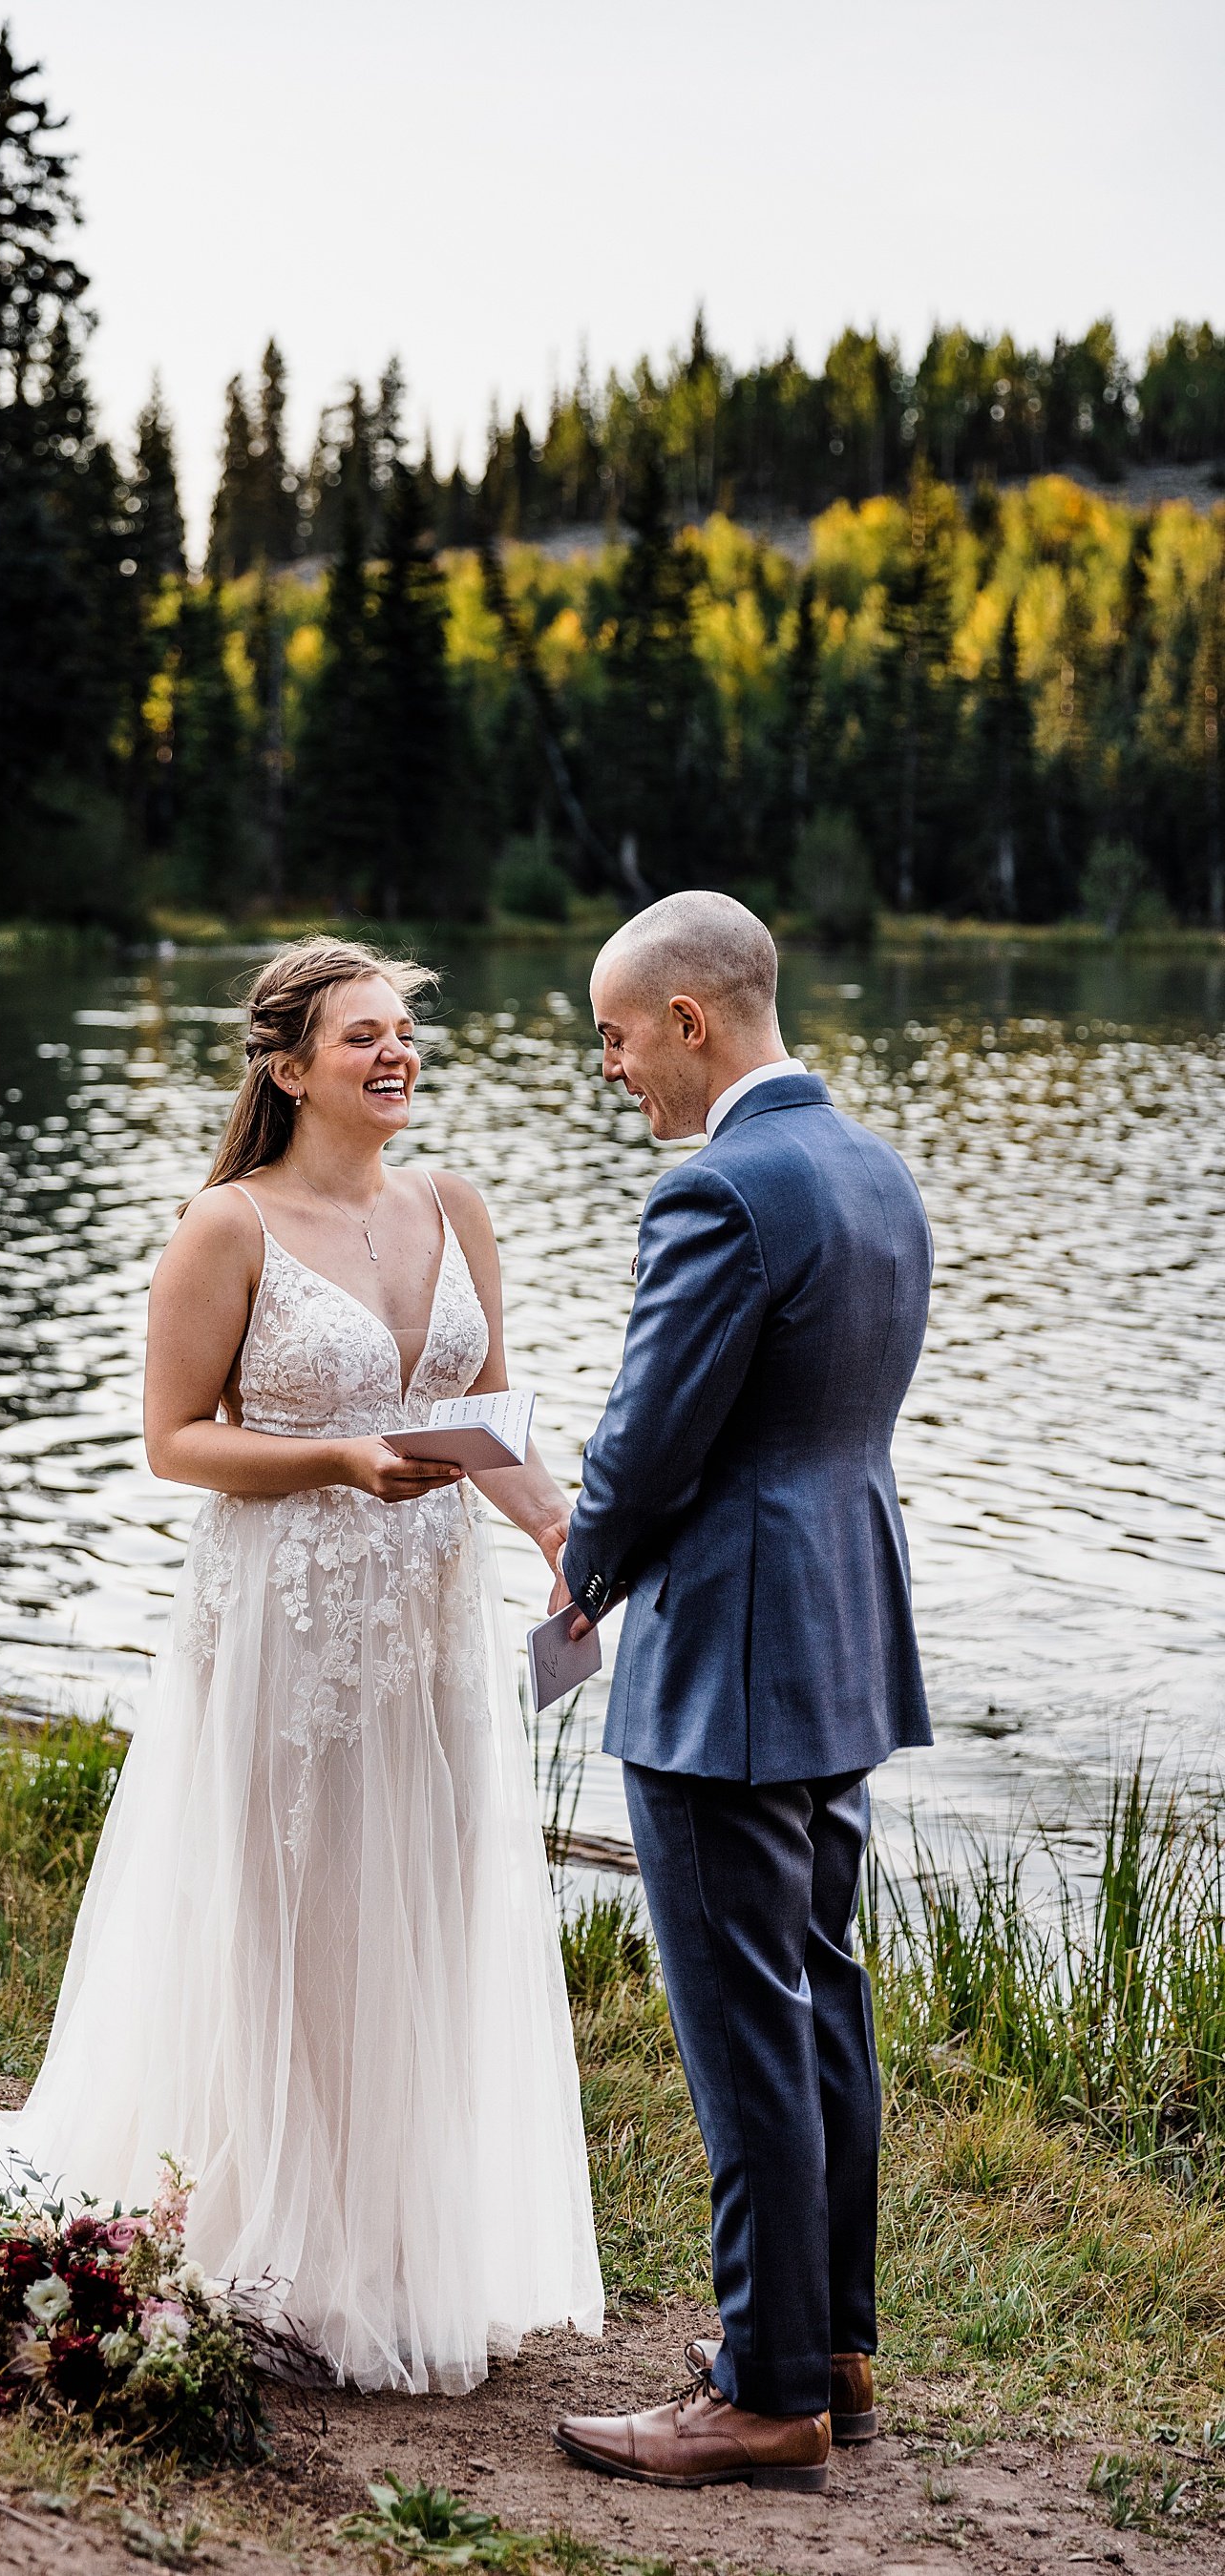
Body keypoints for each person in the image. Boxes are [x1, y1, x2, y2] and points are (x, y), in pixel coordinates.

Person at [0, 935, 604, 2397]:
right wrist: (337, 1456)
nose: (396, 1056)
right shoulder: (230, 1226)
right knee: (285, 1913)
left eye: (405, 1033)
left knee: (427, 1909)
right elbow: (175, 1439)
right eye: (361, 1040)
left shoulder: (456, 1205)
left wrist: (562, 1534)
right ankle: (267, 2233)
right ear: (285, 1067)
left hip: (428, 1630)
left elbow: (483, 1412)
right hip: (286, 1619)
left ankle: (391, 2244)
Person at [550, 891, 932, 2494]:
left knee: (742, 2028)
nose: (620, 1072)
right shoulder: (874, 1169)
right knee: (819, 1997)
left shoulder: (719, 1188)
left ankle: (762, 2388)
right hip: (841, 1634)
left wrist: (581, 1570)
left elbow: (649, 1443)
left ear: (691, 1023)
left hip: (727, 1664)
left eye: (621, 1040)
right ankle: (833, 2348)